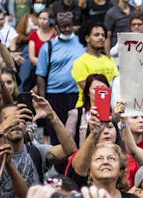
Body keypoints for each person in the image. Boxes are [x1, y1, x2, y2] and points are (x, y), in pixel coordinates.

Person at [35, 11, 86, 144]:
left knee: (77, 135)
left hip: (77, 95)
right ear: (56, 27)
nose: (67, 29)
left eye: (69, 26)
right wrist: (43, 99)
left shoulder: (82, 43)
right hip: (55, 97)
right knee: (57, 134)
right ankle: (59, 165)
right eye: (63, 26)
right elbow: (41, 75)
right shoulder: (48, 47)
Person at [71, 21, 118, 108]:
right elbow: (88, 88)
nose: (101, 38)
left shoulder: (110, 59)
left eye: (103, 35)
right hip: (87, 108)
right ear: (87, 38)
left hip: (109, 107)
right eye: (96, 35)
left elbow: (117, 84)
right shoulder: (80, 62)